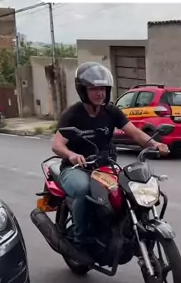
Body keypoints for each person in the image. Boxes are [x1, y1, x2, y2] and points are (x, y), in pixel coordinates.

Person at [52, 61, 169, 248]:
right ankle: (81, 237)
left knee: (127, 191)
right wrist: (71, 155)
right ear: (83, 91)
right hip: (76, 168)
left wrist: (155, 144)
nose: (100, 93)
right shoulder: (73, 114)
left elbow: (135, 133)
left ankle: (122, 230)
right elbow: (57, 145)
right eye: (94, 89)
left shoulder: (111, 111)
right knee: (83, 189)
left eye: (103, 89)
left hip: (105, 167)